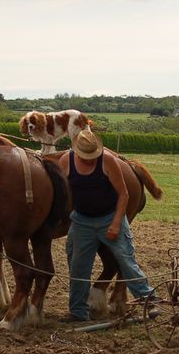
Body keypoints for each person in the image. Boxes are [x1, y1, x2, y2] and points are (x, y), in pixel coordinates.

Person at [57, 129, 156, 321]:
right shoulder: (65, 162)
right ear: (76, 151)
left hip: (109, 217)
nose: (89, 159)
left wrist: (117, 223)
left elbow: (123, 194)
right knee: (78, 266)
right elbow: (62, 193)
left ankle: (149, 300)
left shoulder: (107, 161)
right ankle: (78, 311)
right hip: (81, 220)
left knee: (125, 259)